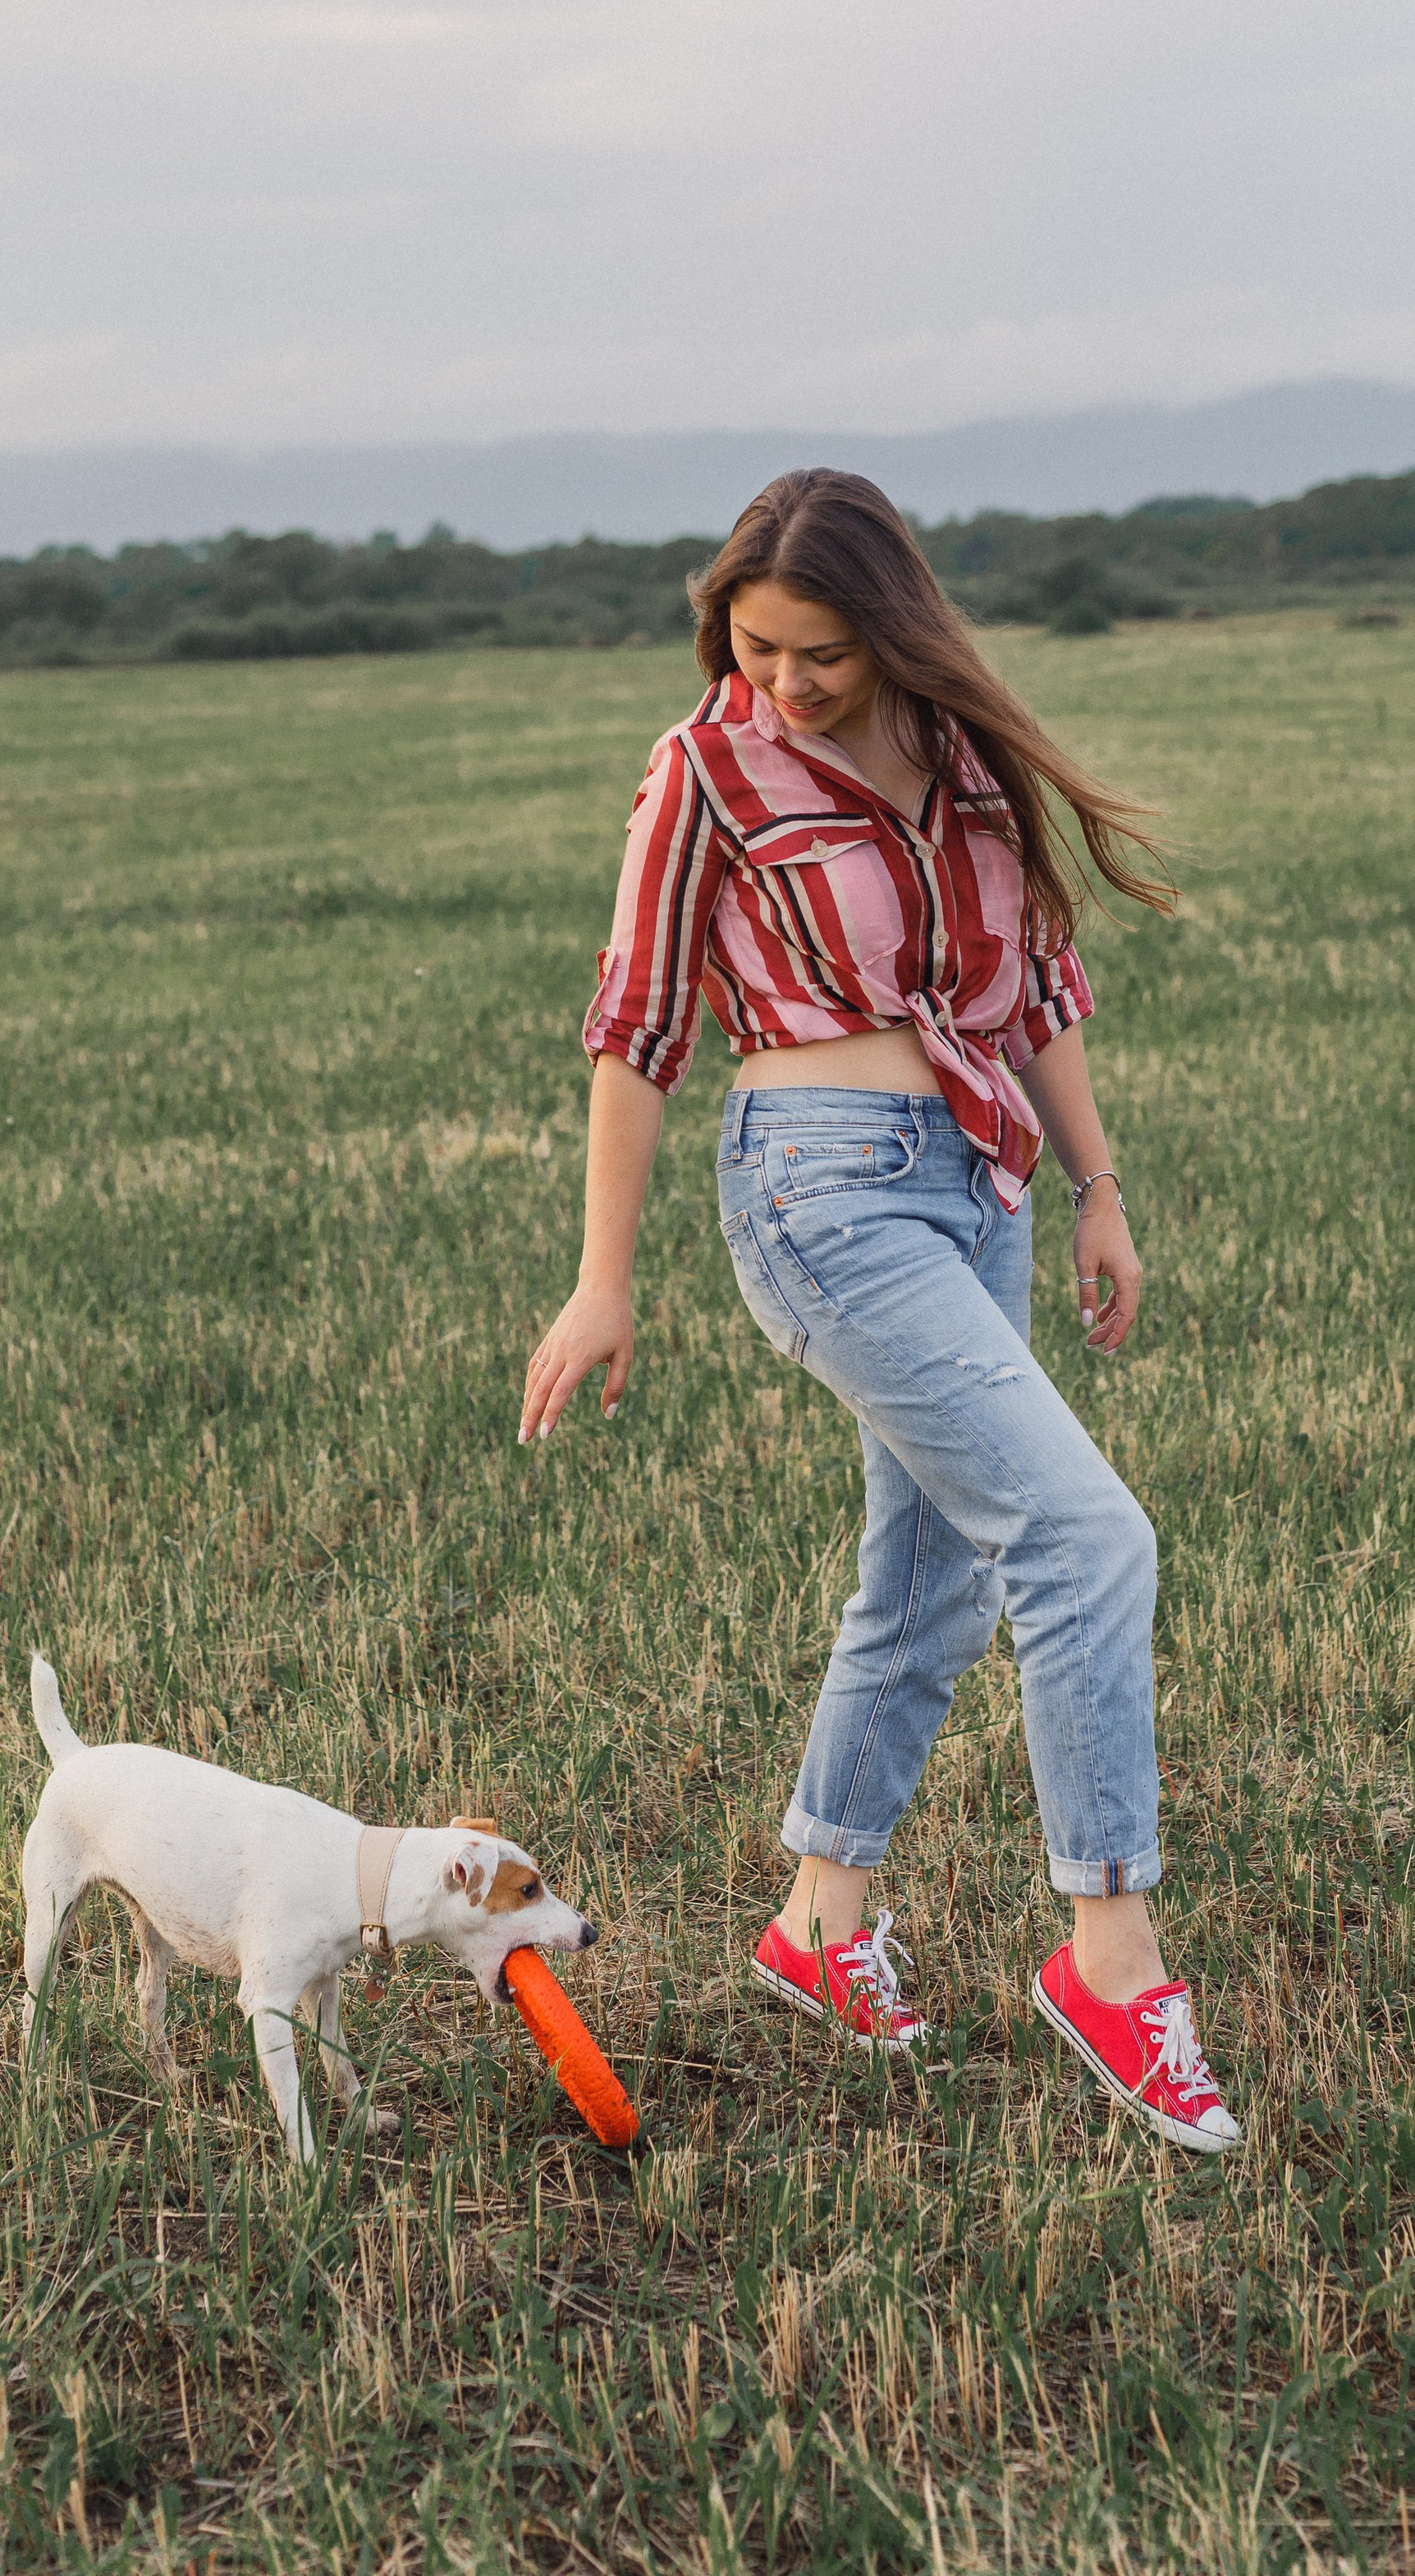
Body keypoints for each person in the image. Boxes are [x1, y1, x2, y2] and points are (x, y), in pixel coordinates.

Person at [519, 469, 1239, 2152]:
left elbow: (1037, 983)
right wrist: (600, 1280)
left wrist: (1097, 1185)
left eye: (821, 652)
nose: (785, 682)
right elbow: (634, 1028)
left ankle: (819, 1925)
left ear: (894, 628)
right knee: (1081, 1539)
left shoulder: (966, 754)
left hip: (974, 1175)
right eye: (756, 648)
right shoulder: (702, 768)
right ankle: (1111, 1963)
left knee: (925, 1585)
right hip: (815, 1184)